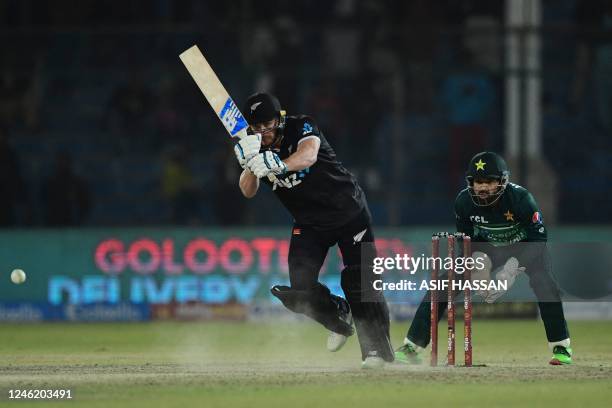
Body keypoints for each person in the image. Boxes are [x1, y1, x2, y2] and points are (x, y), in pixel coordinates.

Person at [234, 92, 394, 368]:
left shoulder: (302, 126)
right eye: (257, 128)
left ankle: (377, 353)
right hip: (309, 223)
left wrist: (278, 164)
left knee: (361, 280)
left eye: (268, 125)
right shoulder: (253, 145)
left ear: (279, 119)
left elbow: (308, 156)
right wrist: (251, 165)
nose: (263, 133)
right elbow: (247, 191)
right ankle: (338, 313)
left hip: (349, 212)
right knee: (301, 289)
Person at [395, 151, 572, 365]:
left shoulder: (521, 199)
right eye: (479, 181)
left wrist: (510, 271)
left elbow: (538, 238)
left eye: (490, 181)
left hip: (525, 247)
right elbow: (466, 243)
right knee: (442, 284)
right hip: (487, 249)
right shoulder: (464, 202)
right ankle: (412, 346)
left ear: (502, 181)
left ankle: (561, 346)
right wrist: (480, 270)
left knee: (545, 284)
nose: (483, 187)